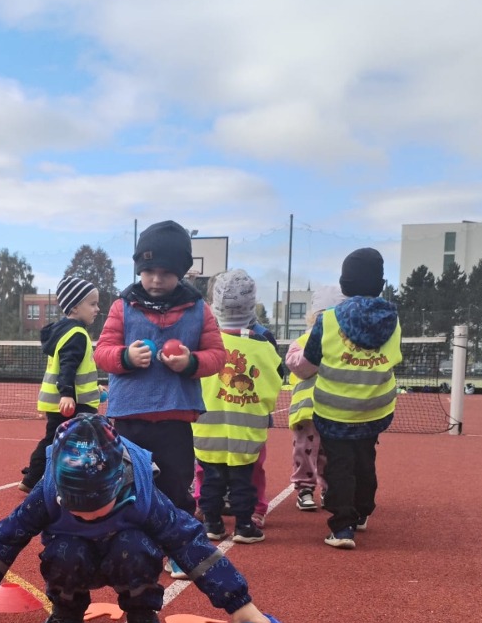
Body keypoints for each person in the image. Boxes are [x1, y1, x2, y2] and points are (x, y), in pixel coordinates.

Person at [0, 414, 275, 623]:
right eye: (74, 508)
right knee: (64, 548)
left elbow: (189, 542)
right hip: (75, 561)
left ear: (119, 484)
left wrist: (239, 603)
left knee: (134, 545)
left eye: (98, 507)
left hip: (127, 557)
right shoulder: (47, 492)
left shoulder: (144, 494)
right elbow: (4, 539)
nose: (87, 516)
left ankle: (142, 618)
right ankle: (67, 616)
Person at [94, 221, 226, 517]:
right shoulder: (122, 307)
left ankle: (179, 541)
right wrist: (126, 357)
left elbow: (218, 356)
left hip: (174, 420)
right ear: (138, 269)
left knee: (176, 488)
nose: (155, 279)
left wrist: (191, 362)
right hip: (129, 418)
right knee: (126, 489)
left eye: (165, 273)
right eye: (148, 271)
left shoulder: (199, 309)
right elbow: (101, 354)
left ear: (181, 271)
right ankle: (128, 539)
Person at [287, 249, 401, 549]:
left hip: (334, 408)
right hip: (375, 407)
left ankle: (342, 527)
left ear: (344, 284)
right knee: (365, 460)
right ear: (381, 284)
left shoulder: (328, 320)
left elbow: (309, 363)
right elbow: (393, 359)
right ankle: (362, 512)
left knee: (339, 465)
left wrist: (297, 365)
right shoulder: (393, 321)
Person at [191, 269, 282, 543]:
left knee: (210, 479)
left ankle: (212, 524)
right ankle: (244, 526)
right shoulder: (263, 345)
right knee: (243, 480)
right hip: (246, 431)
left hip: (206, 429)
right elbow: (273, 385)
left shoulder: (203, 342)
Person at [17, 276, 103, 492]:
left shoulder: (64, 332)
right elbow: (67, 367)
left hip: (68, 402)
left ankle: (40, 477)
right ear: (74, 307)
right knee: (72, 442)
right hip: (71, 405)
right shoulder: (76, 334)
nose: (97, 309)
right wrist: (66, 394)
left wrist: (93, 388)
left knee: (56, 439)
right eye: (92, 304)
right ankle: (37, 478)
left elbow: (76, 370)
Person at [285, 286, 339, 512]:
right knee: (304, 450)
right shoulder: (303, 341)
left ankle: (328, 489)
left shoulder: (342, 343)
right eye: (321, 316)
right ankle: (305, 489)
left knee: (329, 453)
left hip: (332, 410)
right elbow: (294, 363)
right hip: (306, 411)